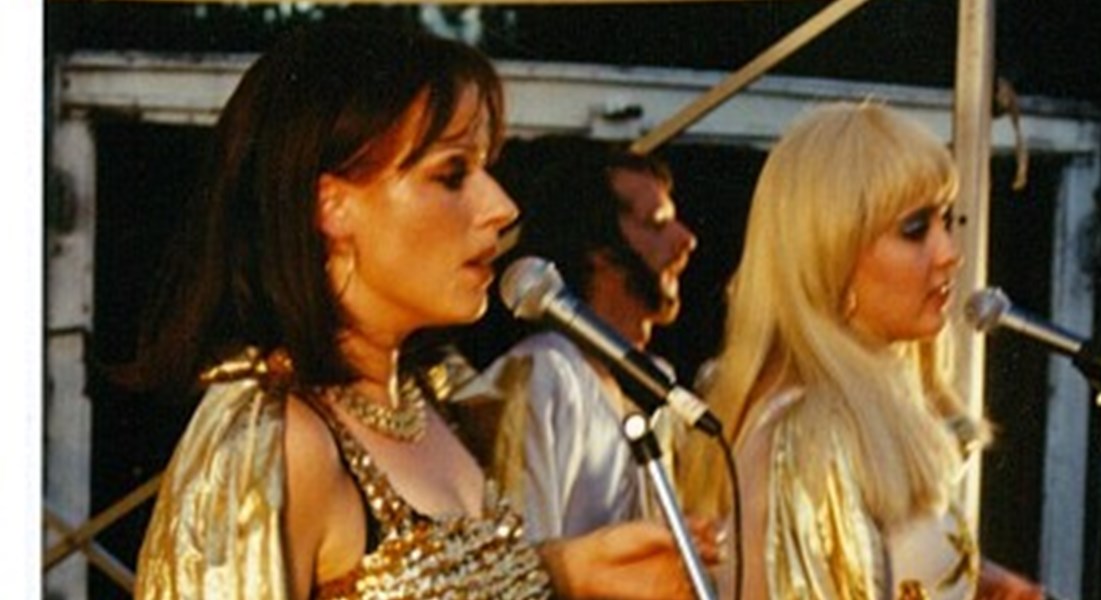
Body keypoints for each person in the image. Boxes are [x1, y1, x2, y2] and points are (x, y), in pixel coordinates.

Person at [126, 23, 715, 599]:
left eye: (486, 169)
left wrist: (563, 573)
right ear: (331, 206)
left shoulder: (433, 397)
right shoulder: (275, 439)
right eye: (452, 174)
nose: (501, 206)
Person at [677, 102, 1043, 600]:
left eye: (945, 221)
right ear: (834, 257)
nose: (949, 253)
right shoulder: (805, 433)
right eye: (915, 230)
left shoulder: (847, 416)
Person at [454, 136, 700, 542]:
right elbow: (520, 558)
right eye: (656, 223)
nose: (686, 240)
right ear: (600, 250)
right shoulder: (544, 374)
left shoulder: (660, 380)